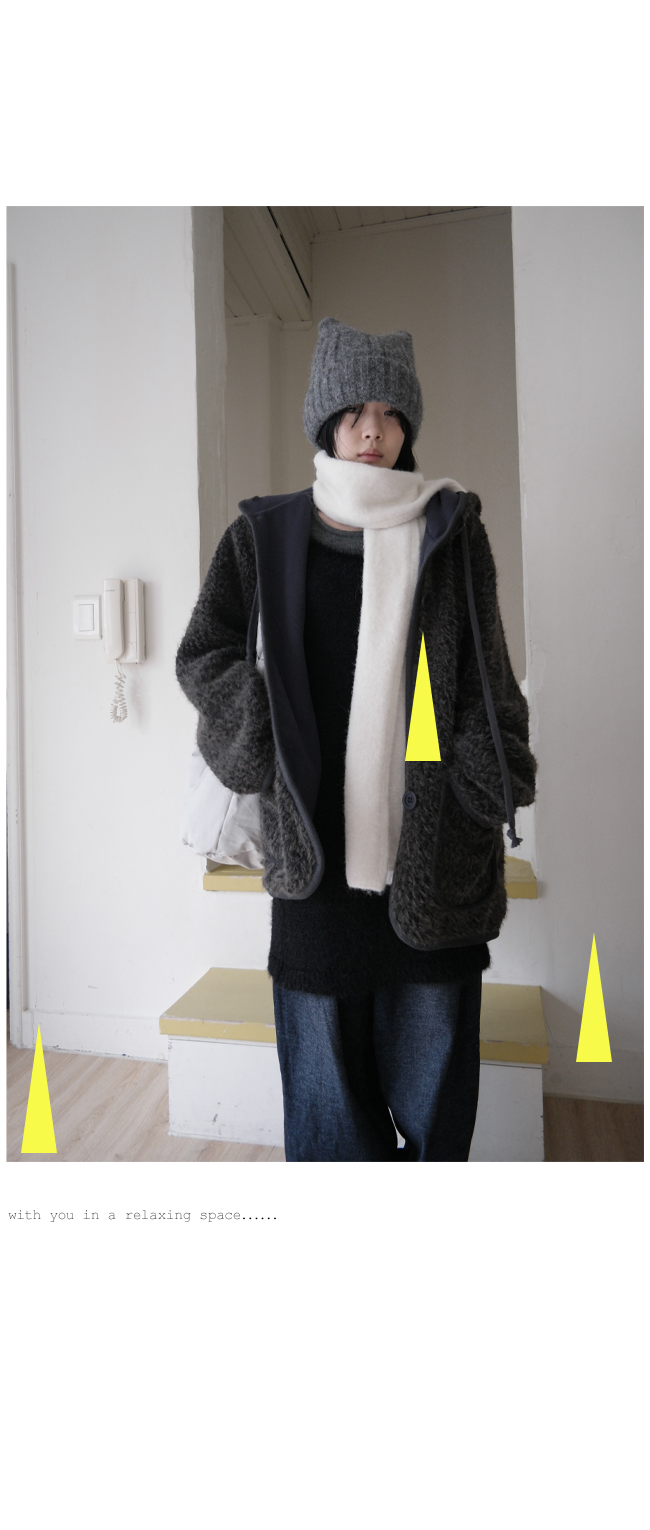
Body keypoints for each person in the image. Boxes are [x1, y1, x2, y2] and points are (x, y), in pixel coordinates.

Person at [176, 318, 536, 1164]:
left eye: (389, 411)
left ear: (408, 423)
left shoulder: (453, 529)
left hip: (435, 857)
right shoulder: (265, 533)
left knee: (437, 1111)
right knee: (330, 1124)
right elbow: (205, 651)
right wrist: (255, 723)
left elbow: (489, 674)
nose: (372, 429)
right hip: (315, 869)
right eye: (352, 410)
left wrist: (490, 769)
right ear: (325, 421)